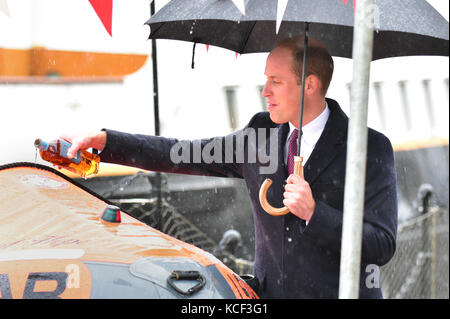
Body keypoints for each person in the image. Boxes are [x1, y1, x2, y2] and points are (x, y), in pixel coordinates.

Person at [64, 36, 398, 299]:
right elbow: (181, 153)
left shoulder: (368, 147)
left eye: (276, 81)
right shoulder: (259, 135)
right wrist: (107, 143)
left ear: (309, 85)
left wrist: (314, 212)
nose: (265, 91)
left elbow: (381, 244)